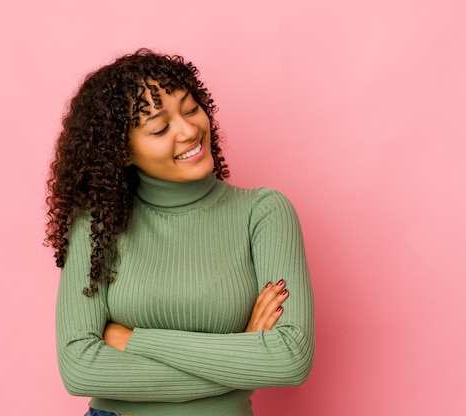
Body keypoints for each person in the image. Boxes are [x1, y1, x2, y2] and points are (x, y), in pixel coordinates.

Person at [45, 48, 314, 416]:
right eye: (159, 128)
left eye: (190, 109)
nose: (189, 131)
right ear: (122, 151)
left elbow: (289, 358)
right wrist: (245, 354)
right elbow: (79, 369)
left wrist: (135, 340)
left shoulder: (263, 213)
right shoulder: (97, 224)